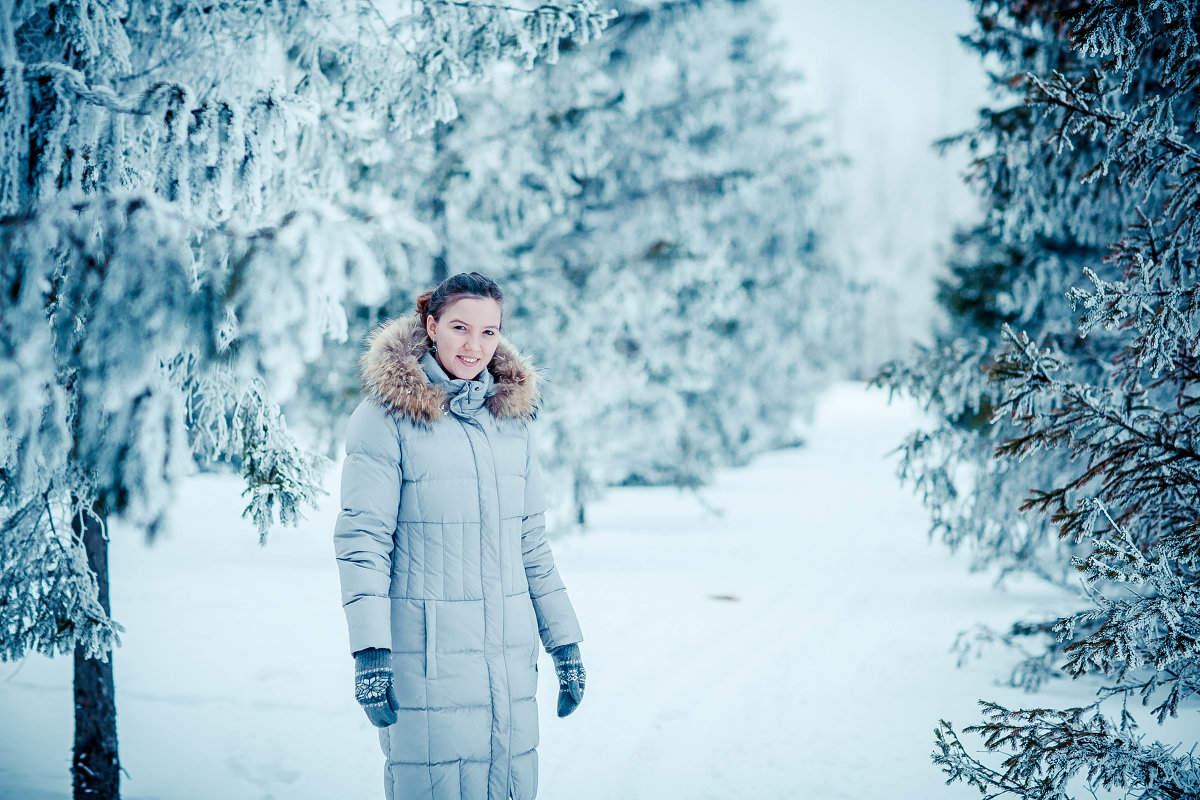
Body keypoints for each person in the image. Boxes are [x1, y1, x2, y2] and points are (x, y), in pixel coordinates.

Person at [333, 271, 586, 800]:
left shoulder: (510, 422)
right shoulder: (385, 418)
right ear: (431, 326)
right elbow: (363, 543)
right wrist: (371, 652)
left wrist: (564, 642)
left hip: (509, 669)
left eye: (489, 332)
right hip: (428, 665)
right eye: (460, 328)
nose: (474, 346)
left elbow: (532, 545)